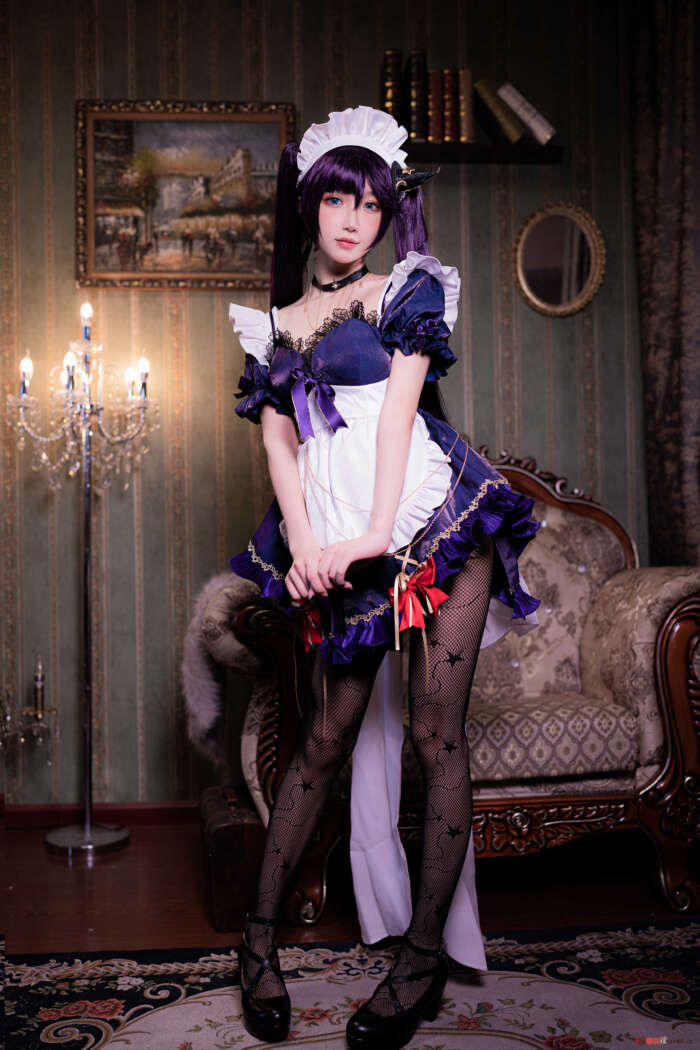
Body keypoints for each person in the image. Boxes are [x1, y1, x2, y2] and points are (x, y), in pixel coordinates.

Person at [227, 105, 541, 1048]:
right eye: (337, 200)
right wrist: (306, 548)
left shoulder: (408, 289)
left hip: (431, 523)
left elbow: (401, 416)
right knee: (325, 737)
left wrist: (372, 536)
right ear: (310, 207)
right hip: (336, 543)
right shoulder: (272, 326)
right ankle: (256, 942)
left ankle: (420, 959)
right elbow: (281, 449)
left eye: (371, 203)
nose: (354, 220)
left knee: (436, 734)